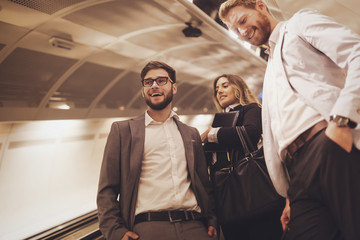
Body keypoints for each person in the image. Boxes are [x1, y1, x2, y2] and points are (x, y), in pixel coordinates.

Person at [218, 0, 360, 239]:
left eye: (242, 20)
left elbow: (356, 53)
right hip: (297, 172)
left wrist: (341, 121)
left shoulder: (299, 24)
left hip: (328, 144)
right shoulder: (270, 68)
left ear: (261, 7)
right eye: (235, 29)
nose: (242, 31)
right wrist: (288, 195)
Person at [97, 61, 217, 240]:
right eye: (148, 82)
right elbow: (107, 189)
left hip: (194, 225)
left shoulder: (190, 133)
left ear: (174, 88)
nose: (154, 85)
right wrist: (115, 231)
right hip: (148, 228)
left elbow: (203, 183)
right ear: (143, 90)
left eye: (161, 81)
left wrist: (213, 220)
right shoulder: (123, 131)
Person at [201, 74, 284, 240]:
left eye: (225, 86)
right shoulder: (219, 119)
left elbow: (250, 132)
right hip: (226, 196)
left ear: (238, 88)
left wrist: (211, 133)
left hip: (251, 191)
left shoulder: (251, 109)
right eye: (217, 89)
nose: (219, 91)